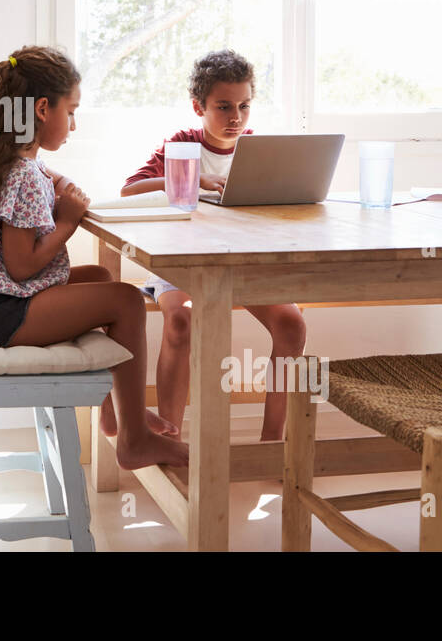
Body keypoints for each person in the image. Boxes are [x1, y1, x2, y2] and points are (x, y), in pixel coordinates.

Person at [0, 46, 188, 470]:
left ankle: (115, 412)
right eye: (70, 112)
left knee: (99, 276)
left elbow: (48, 181)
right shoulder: (24, 177)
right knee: (125, 300)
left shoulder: (8, 161)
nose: (73, 124)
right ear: (41, 109)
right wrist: (67, 222)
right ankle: (135, 438)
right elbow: (22, 266)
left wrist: (64, 184)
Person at [118, 49, 306, 442]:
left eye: (243, 106)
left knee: (291, 324)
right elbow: (129, 189)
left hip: (243, 266)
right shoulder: (183, 145)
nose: (235, 116)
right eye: (223, 107)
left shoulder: (258, 152)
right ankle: (169, 439)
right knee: (182, 321)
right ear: (198, 106)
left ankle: (272, 442)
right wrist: (188, 178)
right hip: (182, 265)